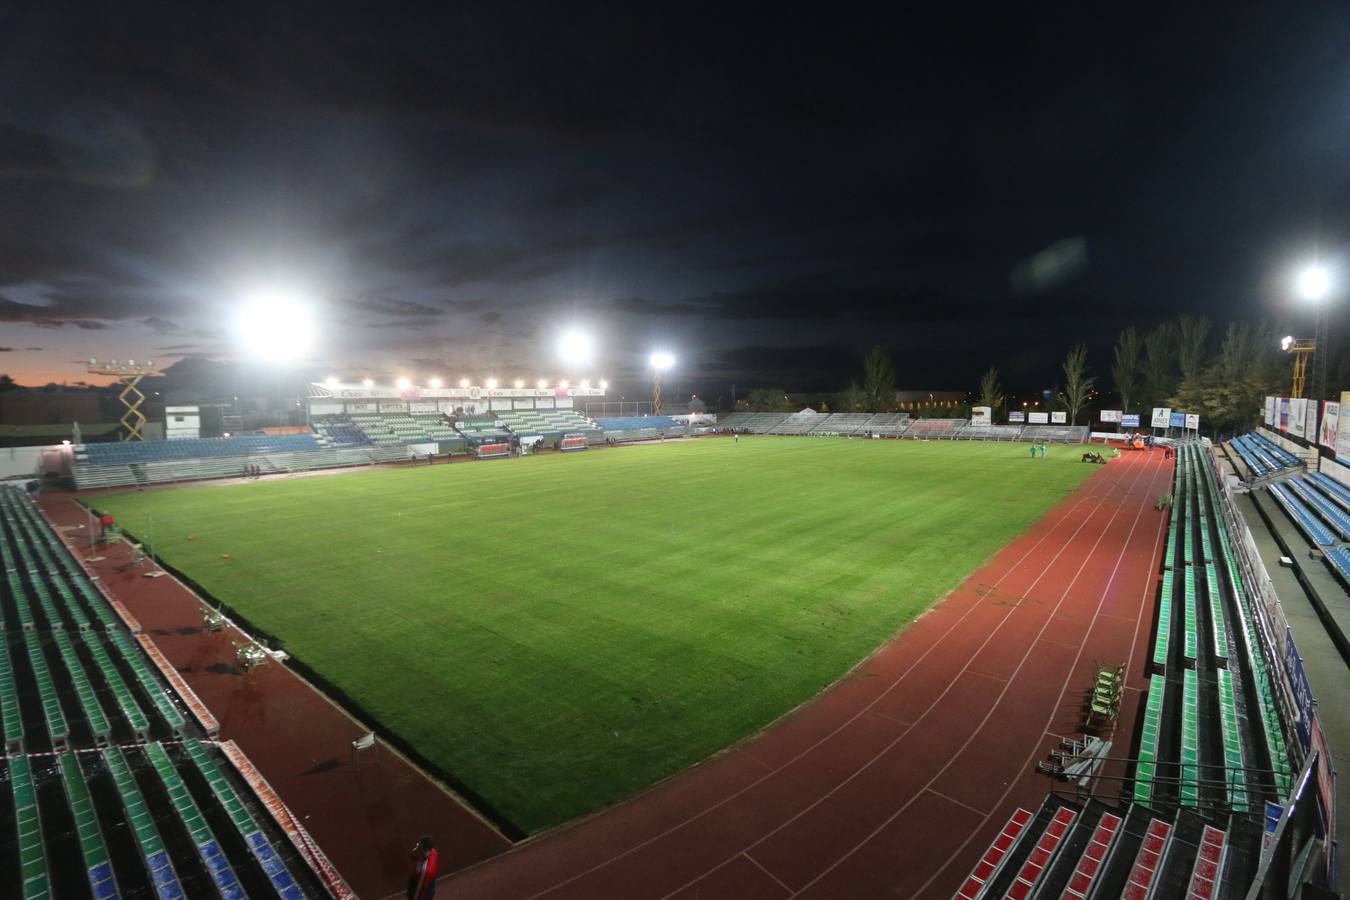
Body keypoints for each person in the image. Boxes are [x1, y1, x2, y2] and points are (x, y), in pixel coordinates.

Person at [406, 835, 438, 900]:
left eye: (420, 847)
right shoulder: (433, 851)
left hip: (423, 887)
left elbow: (420, 890)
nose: (418, 847)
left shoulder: (426, 870)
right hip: (424, 880)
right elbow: (412, 856)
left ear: (425, 849)